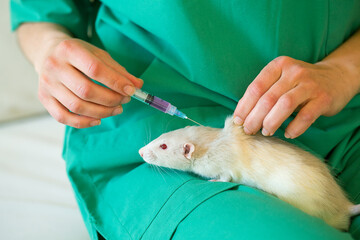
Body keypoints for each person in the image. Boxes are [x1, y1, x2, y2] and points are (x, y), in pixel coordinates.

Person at [10, 0, 360, 239]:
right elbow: (39, 12)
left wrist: (345, 69)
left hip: (343, 118)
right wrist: (50, 52)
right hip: (145, 126)